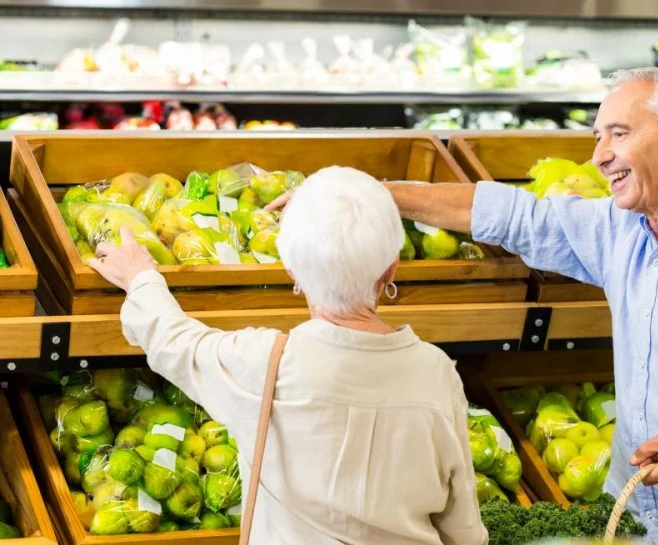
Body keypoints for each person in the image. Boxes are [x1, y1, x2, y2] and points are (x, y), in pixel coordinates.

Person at [272, 67, 658, 544]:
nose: (600, 155)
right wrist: (370, 195)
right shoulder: (625, 230)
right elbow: (513, 214)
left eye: (620, 134)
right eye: (599, 135)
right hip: (632, 519)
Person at [89, 167, 489, 545]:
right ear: (392, 268)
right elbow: (463, 526)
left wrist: (141, 278)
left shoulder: (266, 363)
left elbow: (176, 342)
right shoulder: (436, 373)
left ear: (292, 270)